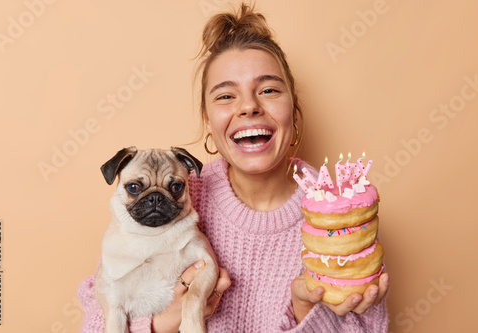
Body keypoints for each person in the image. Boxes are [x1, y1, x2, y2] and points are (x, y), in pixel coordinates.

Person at [78, 3, 389, 332]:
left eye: (268, 90)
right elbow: (99, 313)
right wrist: (162, 323)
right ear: (208, 122)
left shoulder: (337, 214)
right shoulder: (181, 193)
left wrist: (303, 306)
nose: (249, 106)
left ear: (294, 112)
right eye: (226, 96)